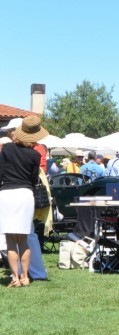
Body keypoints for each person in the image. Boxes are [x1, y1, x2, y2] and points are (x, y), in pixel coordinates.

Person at [0, 116, 49, 287]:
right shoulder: (35, 155)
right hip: (25, 195)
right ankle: (26, 277)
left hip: (7, 193)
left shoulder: (6, 149)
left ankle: (15, 277)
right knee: (24, 238)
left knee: (11, 239)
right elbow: (34, 179)